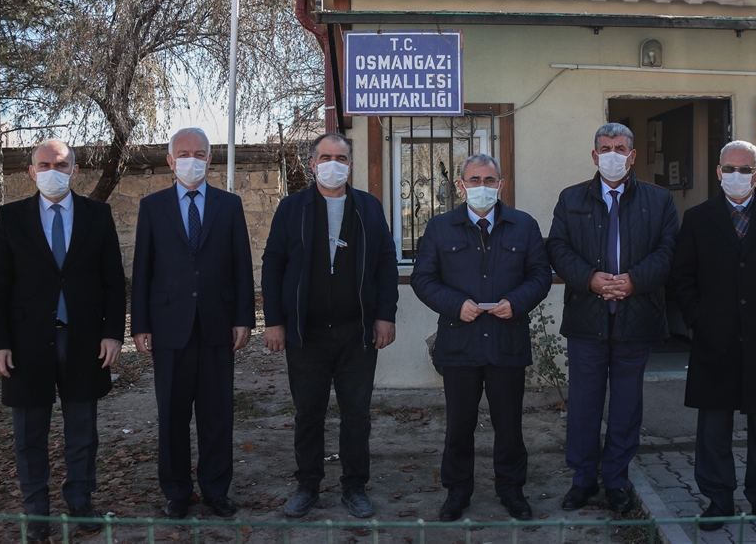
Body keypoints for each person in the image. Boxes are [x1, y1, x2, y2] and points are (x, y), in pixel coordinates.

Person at [0, 140, 126, 542]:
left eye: (61, 164)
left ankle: (81, 501)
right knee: (30, 434)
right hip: (26, 343)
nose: (52, 171)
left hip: (84, 340)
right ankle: (37, 512)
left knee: (82, 431)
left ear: (74, 171)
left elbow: (114, 282)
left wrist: (112, 333)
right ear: (31, 172)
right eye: (44, 165)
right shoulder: (12, 217)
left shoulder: (97, 215)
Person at [670, 140, 756, 532]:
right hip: (714, 340)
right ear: (718, 172)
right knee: (713, 428)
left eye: (745, 169)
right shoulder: (697, 218)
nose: (736, 175)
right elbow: (682, 277)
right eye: (729, 169)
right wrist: (698, 319)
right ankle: (718, 501)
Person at [261, 133, 399, 519]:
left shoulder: (368, 207)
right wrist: (274, 321)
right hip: (306, 333)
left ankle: (354, 487)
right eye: (325, 157)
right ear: (313, 163)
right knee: (308, 413)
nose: (333, 164)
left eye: (340, 158)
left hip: (358, 332)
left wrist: (385, 315)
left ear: (350, 164)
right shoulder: (292, 208)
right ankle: (308, 485)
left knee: (357, 413)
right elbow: (273, 265)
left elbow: (386, 263)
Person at [410, 153, 553, 522]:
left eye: (489, 180)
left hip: (507, 340)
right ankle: (457, 492)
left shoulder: (524, 226)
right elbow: (422, 279)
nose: (482, 187)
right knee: (459, 424)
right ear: (461, 186)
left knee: (509, 424)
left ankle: (512, 490)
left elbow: (540, 275)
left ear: (500, 184)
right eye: (474, 180)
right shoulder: (440, 228)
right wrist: (455, 304)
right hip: (460, 342)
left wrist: (516, 302)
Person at [546, 122, 679, 512]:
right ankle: (583, 479)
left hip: (637, 318)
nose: (612, 155)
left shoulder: (659, 200)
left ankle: (617, 481)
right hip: (587, 318)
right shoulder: (571, 198)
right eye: (605, 149)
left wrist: (634, 281)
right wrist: (590, 279)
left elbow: (668, 251)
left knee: (625, 405)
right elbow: (558, 247)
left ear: (632, 156)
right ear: (594, 155)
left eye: (620, 149)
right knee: (584, 404)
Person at [130, 127, 256, 520]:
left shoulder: (229, 205)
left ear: (210, 160)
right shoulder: (152, 207)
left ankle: (216, 489)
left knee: (217, 414)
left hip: (218, 324)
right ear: (170, 161)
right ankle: (177, 492)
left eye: (199, 154)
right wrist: (140, 324)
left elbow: (241, 265)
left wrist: (244, 318)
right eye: (183, 154)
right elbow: (142, 269)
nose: (191, 160)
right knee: (172, 414)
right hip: (169, 326)